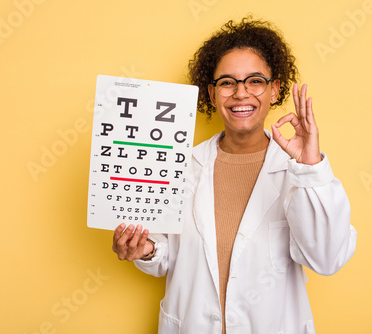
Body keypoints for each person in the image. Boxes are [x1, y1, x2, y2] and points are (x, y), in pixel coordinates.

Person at [112, 17, 357, 334]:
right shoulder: (181, 163)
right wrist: (144, 250)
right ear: (212, 95)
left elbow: (327, 258)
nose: (241, 93)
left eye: (255, 81)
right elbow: (167, 256)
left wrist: (311, 168)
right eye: (227, 82)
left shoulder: (300, 169)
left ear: (274, 90)